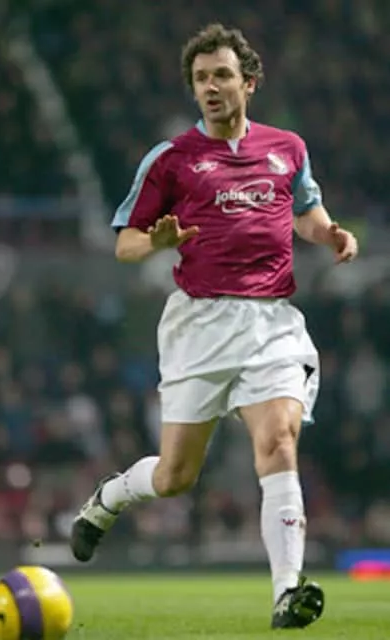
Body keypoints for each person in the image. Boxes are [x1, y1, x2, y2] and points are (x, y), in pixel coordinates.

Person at [70, 23, 358, 629]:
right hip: (200, 324)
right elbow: (124, 245)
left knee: (279, 440)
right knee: (175, 476)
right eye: (201, 78)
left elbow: (306, 211)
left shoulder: (287, 148)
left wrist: (330, 233)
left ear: (248, 83)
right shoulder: (171, 159)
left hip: (271, 321)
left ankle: (286, 592)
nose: (210, 86)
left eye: (222, 75)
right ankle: (110, 496)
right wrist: (156, 240)